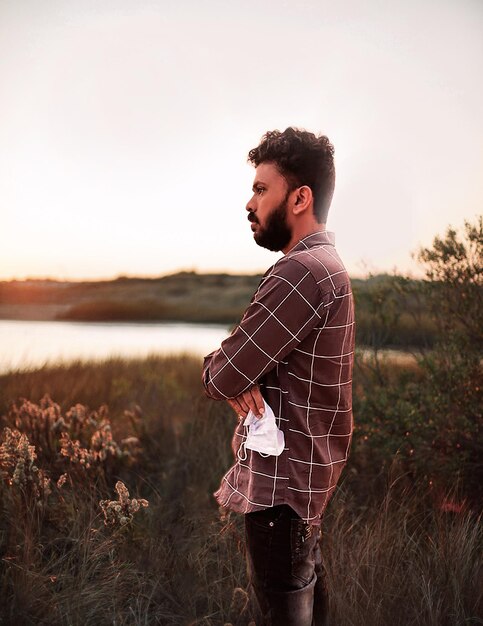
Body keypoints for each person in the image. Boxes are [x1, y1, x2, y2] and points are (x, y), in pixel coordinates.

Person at [202, 127, 355, 626]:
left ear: (299, 197)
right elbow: (245, 366)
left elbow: (223, 373)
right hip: (305, 495)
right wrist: (244, 370)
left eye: (261, 189)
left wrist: (228, 371)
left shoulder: (301, 272)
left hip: (280, 500)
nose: (249, 202)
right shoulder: (330, 267)